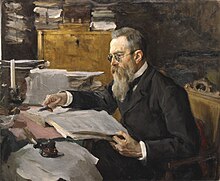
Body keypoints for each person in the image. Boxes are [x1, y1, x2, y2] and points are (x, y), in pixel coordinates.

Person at [43, 27, 201, 180]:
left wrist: (140, 149)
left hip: (152, 165)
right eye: (110, 57)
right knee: (77, 155)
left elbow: (187, 144)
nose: (112, 63)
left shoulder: (168, 90)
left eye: (118, 56)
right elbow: (102, 99)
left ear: (137, 56)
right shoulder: (125, 78)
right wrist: (66, 97)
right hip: (122, 153)